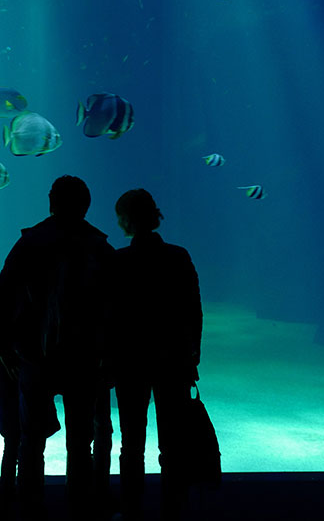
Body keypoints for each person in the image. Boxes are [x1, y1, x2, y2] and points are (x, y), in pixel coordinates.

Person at [0, 175, 114, 521]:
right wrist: (109, 356)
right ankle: (80, 507)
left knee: (32, 439)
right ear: (86, 205)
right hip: (84, 358)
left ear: (51, 202)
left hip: (33, 356)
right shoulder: (99, 246)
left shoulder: (31, 243)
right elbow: (114, 307)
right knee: (80, 441)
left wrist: (4, 351)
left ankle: (30, 508)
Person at [109, 189, 201, 521]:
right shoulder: (178, 256)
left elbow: (110, 315)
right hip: (173, 360)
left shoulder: (118, 261)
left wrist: (108, 358)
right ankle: (174, 508)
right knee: (173, 442)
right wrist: (194, 356)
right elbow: (194, 310)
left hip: (130, 362)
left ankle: (131, 508)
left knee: (131, 442)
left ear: (127, 219)